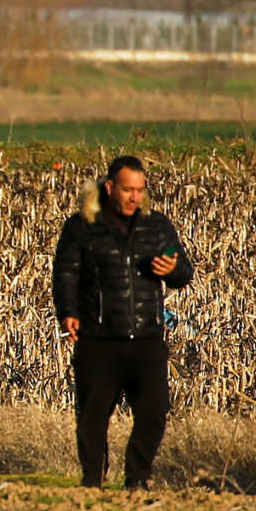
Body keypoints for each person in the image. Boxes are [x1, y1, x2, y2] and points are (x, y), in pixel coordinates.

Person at [52, 156, 193, 490]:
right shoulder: (81, 226)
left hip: (146, 336)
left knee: (154, 412)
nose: (135, 197)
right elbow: (65, 274)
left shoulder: (157, 227)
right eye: (128, 189)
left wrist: (171, 270)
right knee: (92, 417)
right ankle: (92, 481)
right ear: (111, 187)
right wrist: (67, 312)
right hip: (98, 337)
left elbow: (183, 272)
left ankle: (138, 478)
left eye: (140, 190)